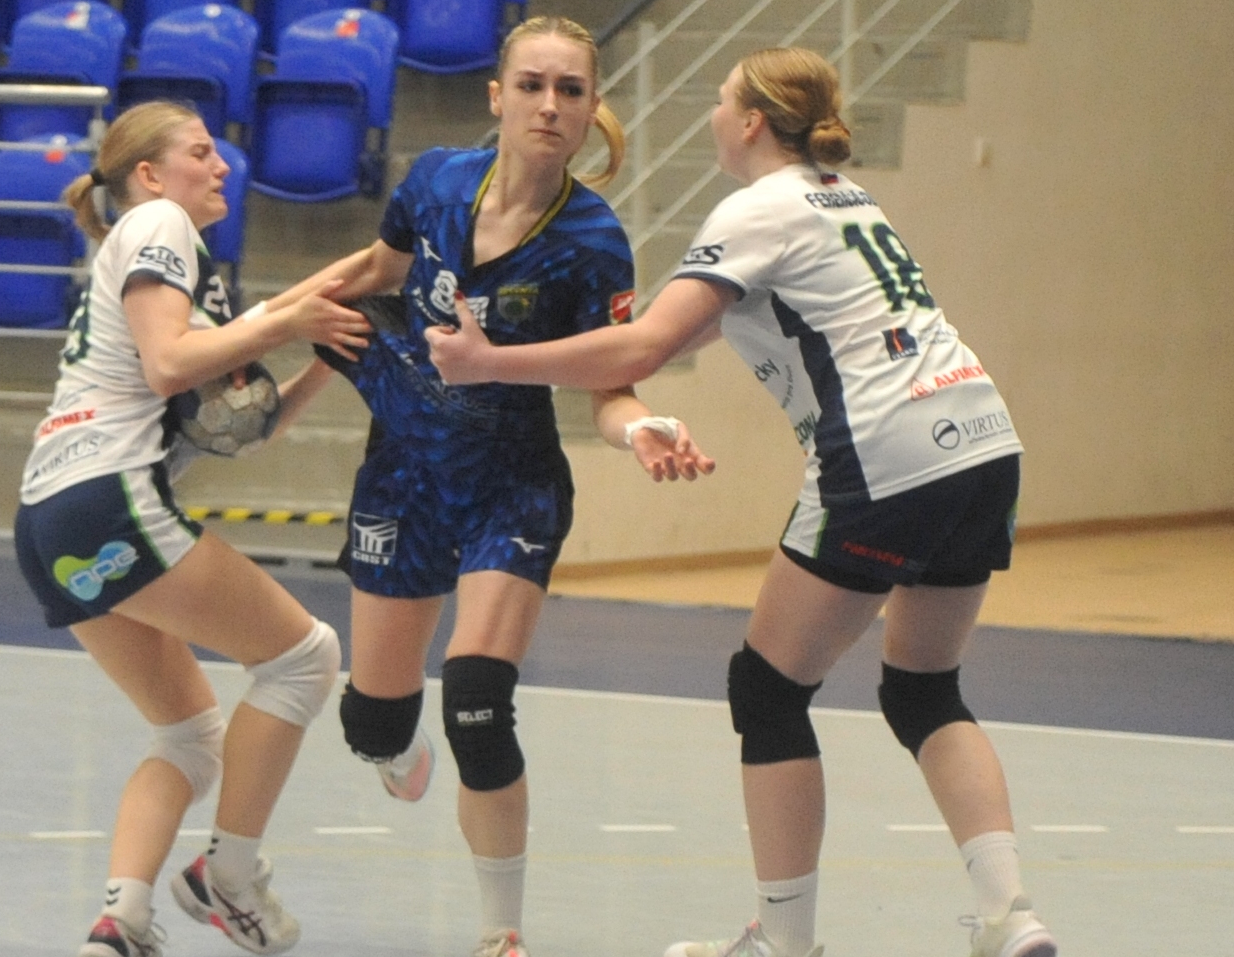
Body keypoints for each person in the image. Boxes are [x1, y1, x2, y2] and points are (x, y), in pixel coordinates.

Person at [425, 47, 1057, 957]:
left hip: (885, 454)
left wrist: (489, 361)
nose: (713, 115)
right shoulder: (842, 197)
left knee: (765, 689)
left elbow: (643, 345)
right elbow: (689, 331)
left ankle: (784, 942)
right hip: (982, 442)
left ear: (752, 121)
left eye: (721, 100)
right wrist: (624, 401)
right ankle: (1011, 915)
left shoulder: (756, 209)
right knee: (923, 688)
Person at [282, 16, 715, 957]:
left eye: (569, 90)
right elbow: (374, 277)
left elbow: (610, 383)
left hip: (510, 484)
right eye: (531, 85)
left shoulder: (592, 242)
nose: (549, 105)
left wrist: (638, 426)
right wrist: (262, 331)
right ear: (498, 97)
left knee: (476, 697)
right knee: (372, 721)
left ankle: (499, 934)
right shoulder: (437, 182)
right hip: (403, 474)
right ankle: (389, 742)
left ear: (591, 109)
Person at [13, 100, 372, 957]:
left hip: (48, 522)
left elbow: (247, 421)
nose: (221, 166)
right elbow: (171, 365)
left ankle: (121, 920)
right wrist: (289, 324)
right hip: (108, 497)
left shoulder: (165, 273)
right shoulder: (159, 222)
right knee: (304, 656)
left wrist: (330, 338)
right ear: (148, 173)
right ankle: (228, 873)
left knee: (186, 732)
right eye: (202, 151)